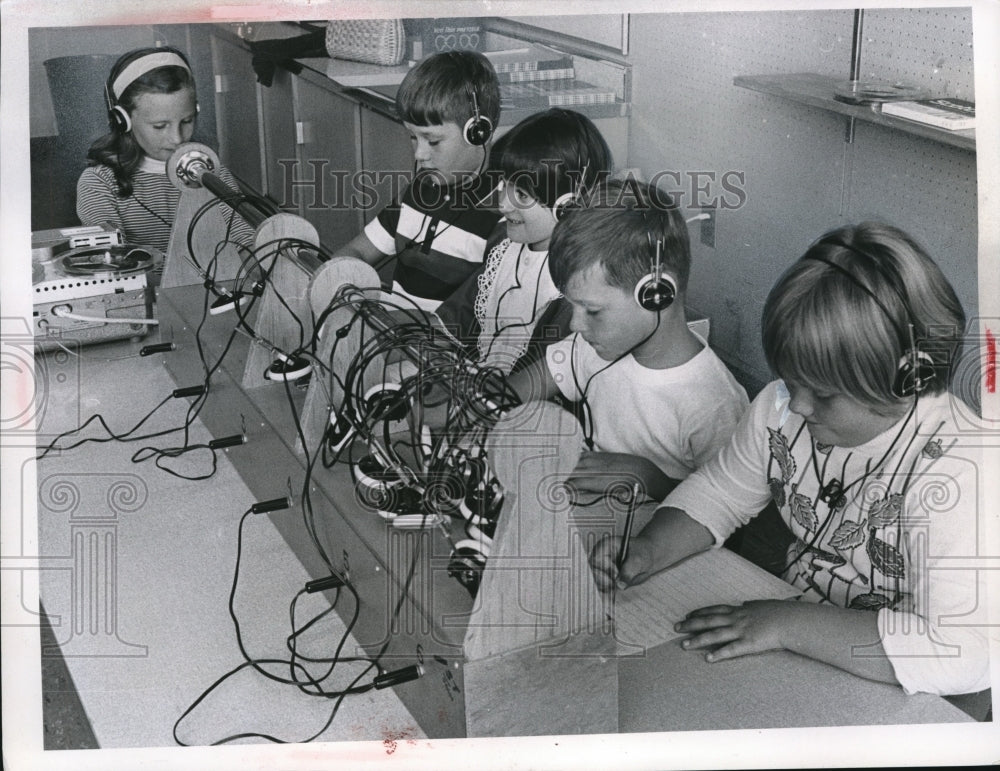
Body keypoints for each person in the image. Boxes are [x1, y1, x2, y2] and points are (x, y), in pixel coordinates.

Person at [591, 222, 990, 697]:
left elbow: (965, 652)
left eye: (823, 394)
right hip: (799, 636)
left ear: (908, 378)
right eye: (790, 383)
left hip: (903, 684)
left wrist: (786, 624)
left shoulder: (965, 471)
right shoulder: (781, 407)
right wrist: (646, 549)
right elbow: (719, 492)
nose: (798, 407)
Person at [506, 179, 749, 503]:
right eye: (573, 306)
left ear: (656, 294)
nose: (575, 325)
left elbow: (728, 518)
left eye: (592, 311)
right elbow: (511, 392)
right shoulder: (591, 347)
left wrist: (647, 478)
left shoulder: (714, 403)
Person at [434, 107, 613, 376]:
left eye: (522, 195)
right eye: (503, 185)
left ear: (568, 205)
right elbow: (454, 320)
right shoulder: (503, 243)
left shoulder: (573, 286)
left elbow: (535, 380)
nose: (504, 204)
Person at [333, 50, 502, 312]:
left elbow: (475, 320)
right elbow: (358, 252)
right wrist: (338, 277)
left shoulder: (502, 217)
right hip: (392, 335)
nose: (419, 154)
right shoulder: (418, 191)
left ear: (478, 133)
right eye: (413, 137)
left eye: (432, 140)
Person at [77, 46, 253, 257]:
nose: (177, 138)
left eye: (187, 121)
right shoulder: (98, 182)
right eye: (160, 126)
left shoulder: (210, 172)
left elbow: (245, 240)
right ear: (123, 121)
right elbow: (112, 257)